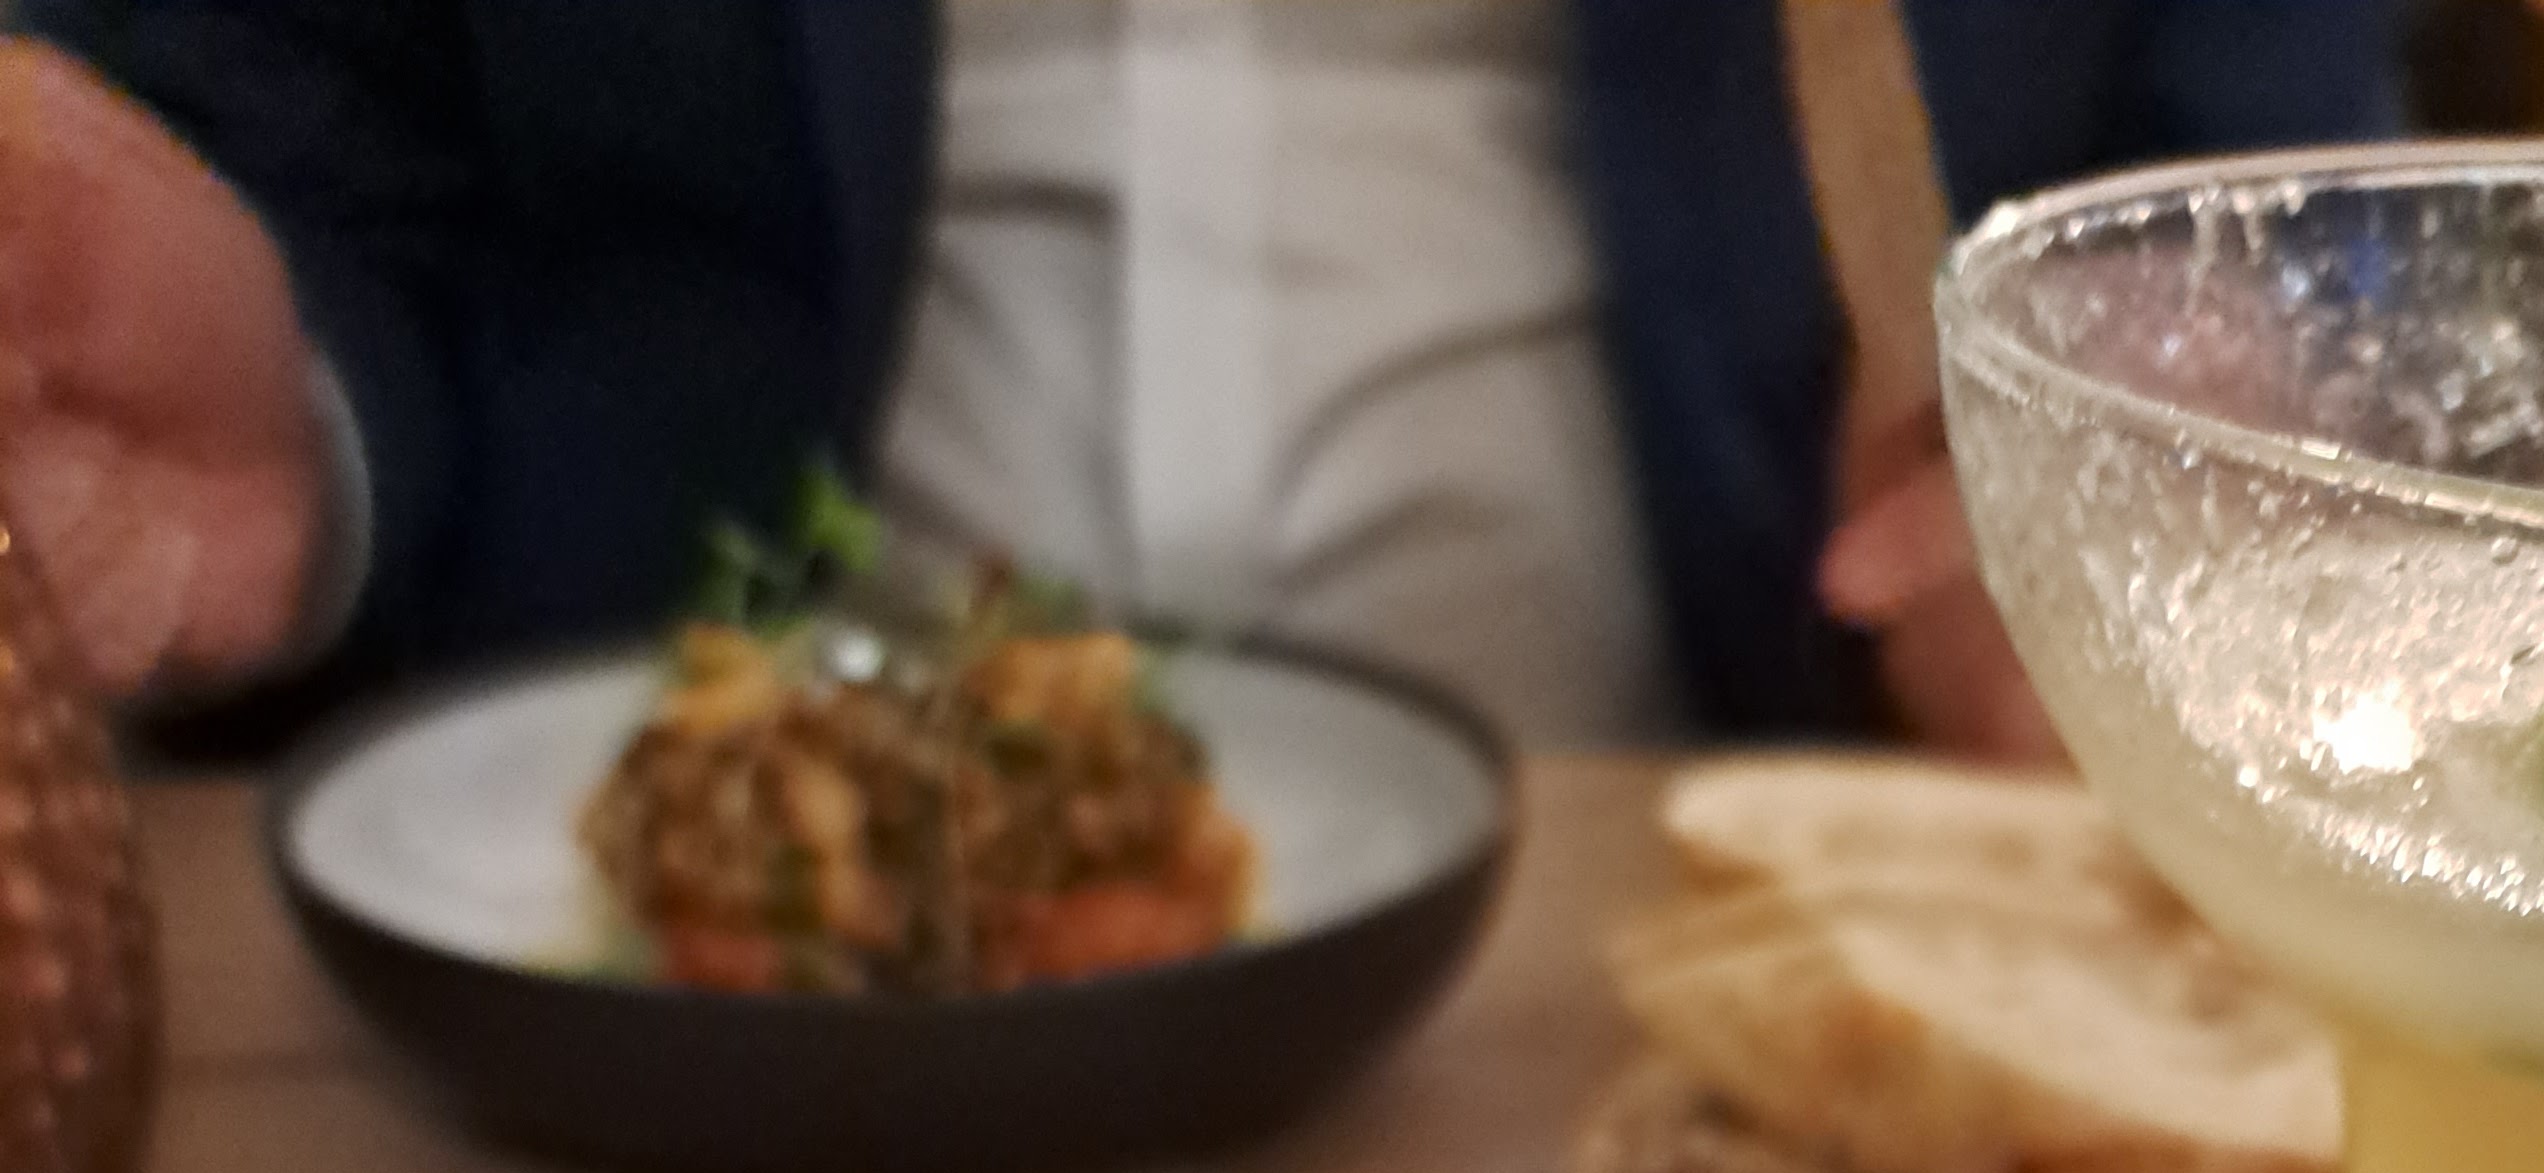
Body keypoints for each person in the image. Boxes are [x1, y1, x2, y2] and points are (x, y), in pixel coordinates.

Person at [0, 0, 2402, 750]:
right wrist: (300, 423)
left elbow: (2294, 183)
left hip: (1720, 983)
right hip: (608, 1043)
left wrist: (2212, 446)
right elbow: (291, 140)